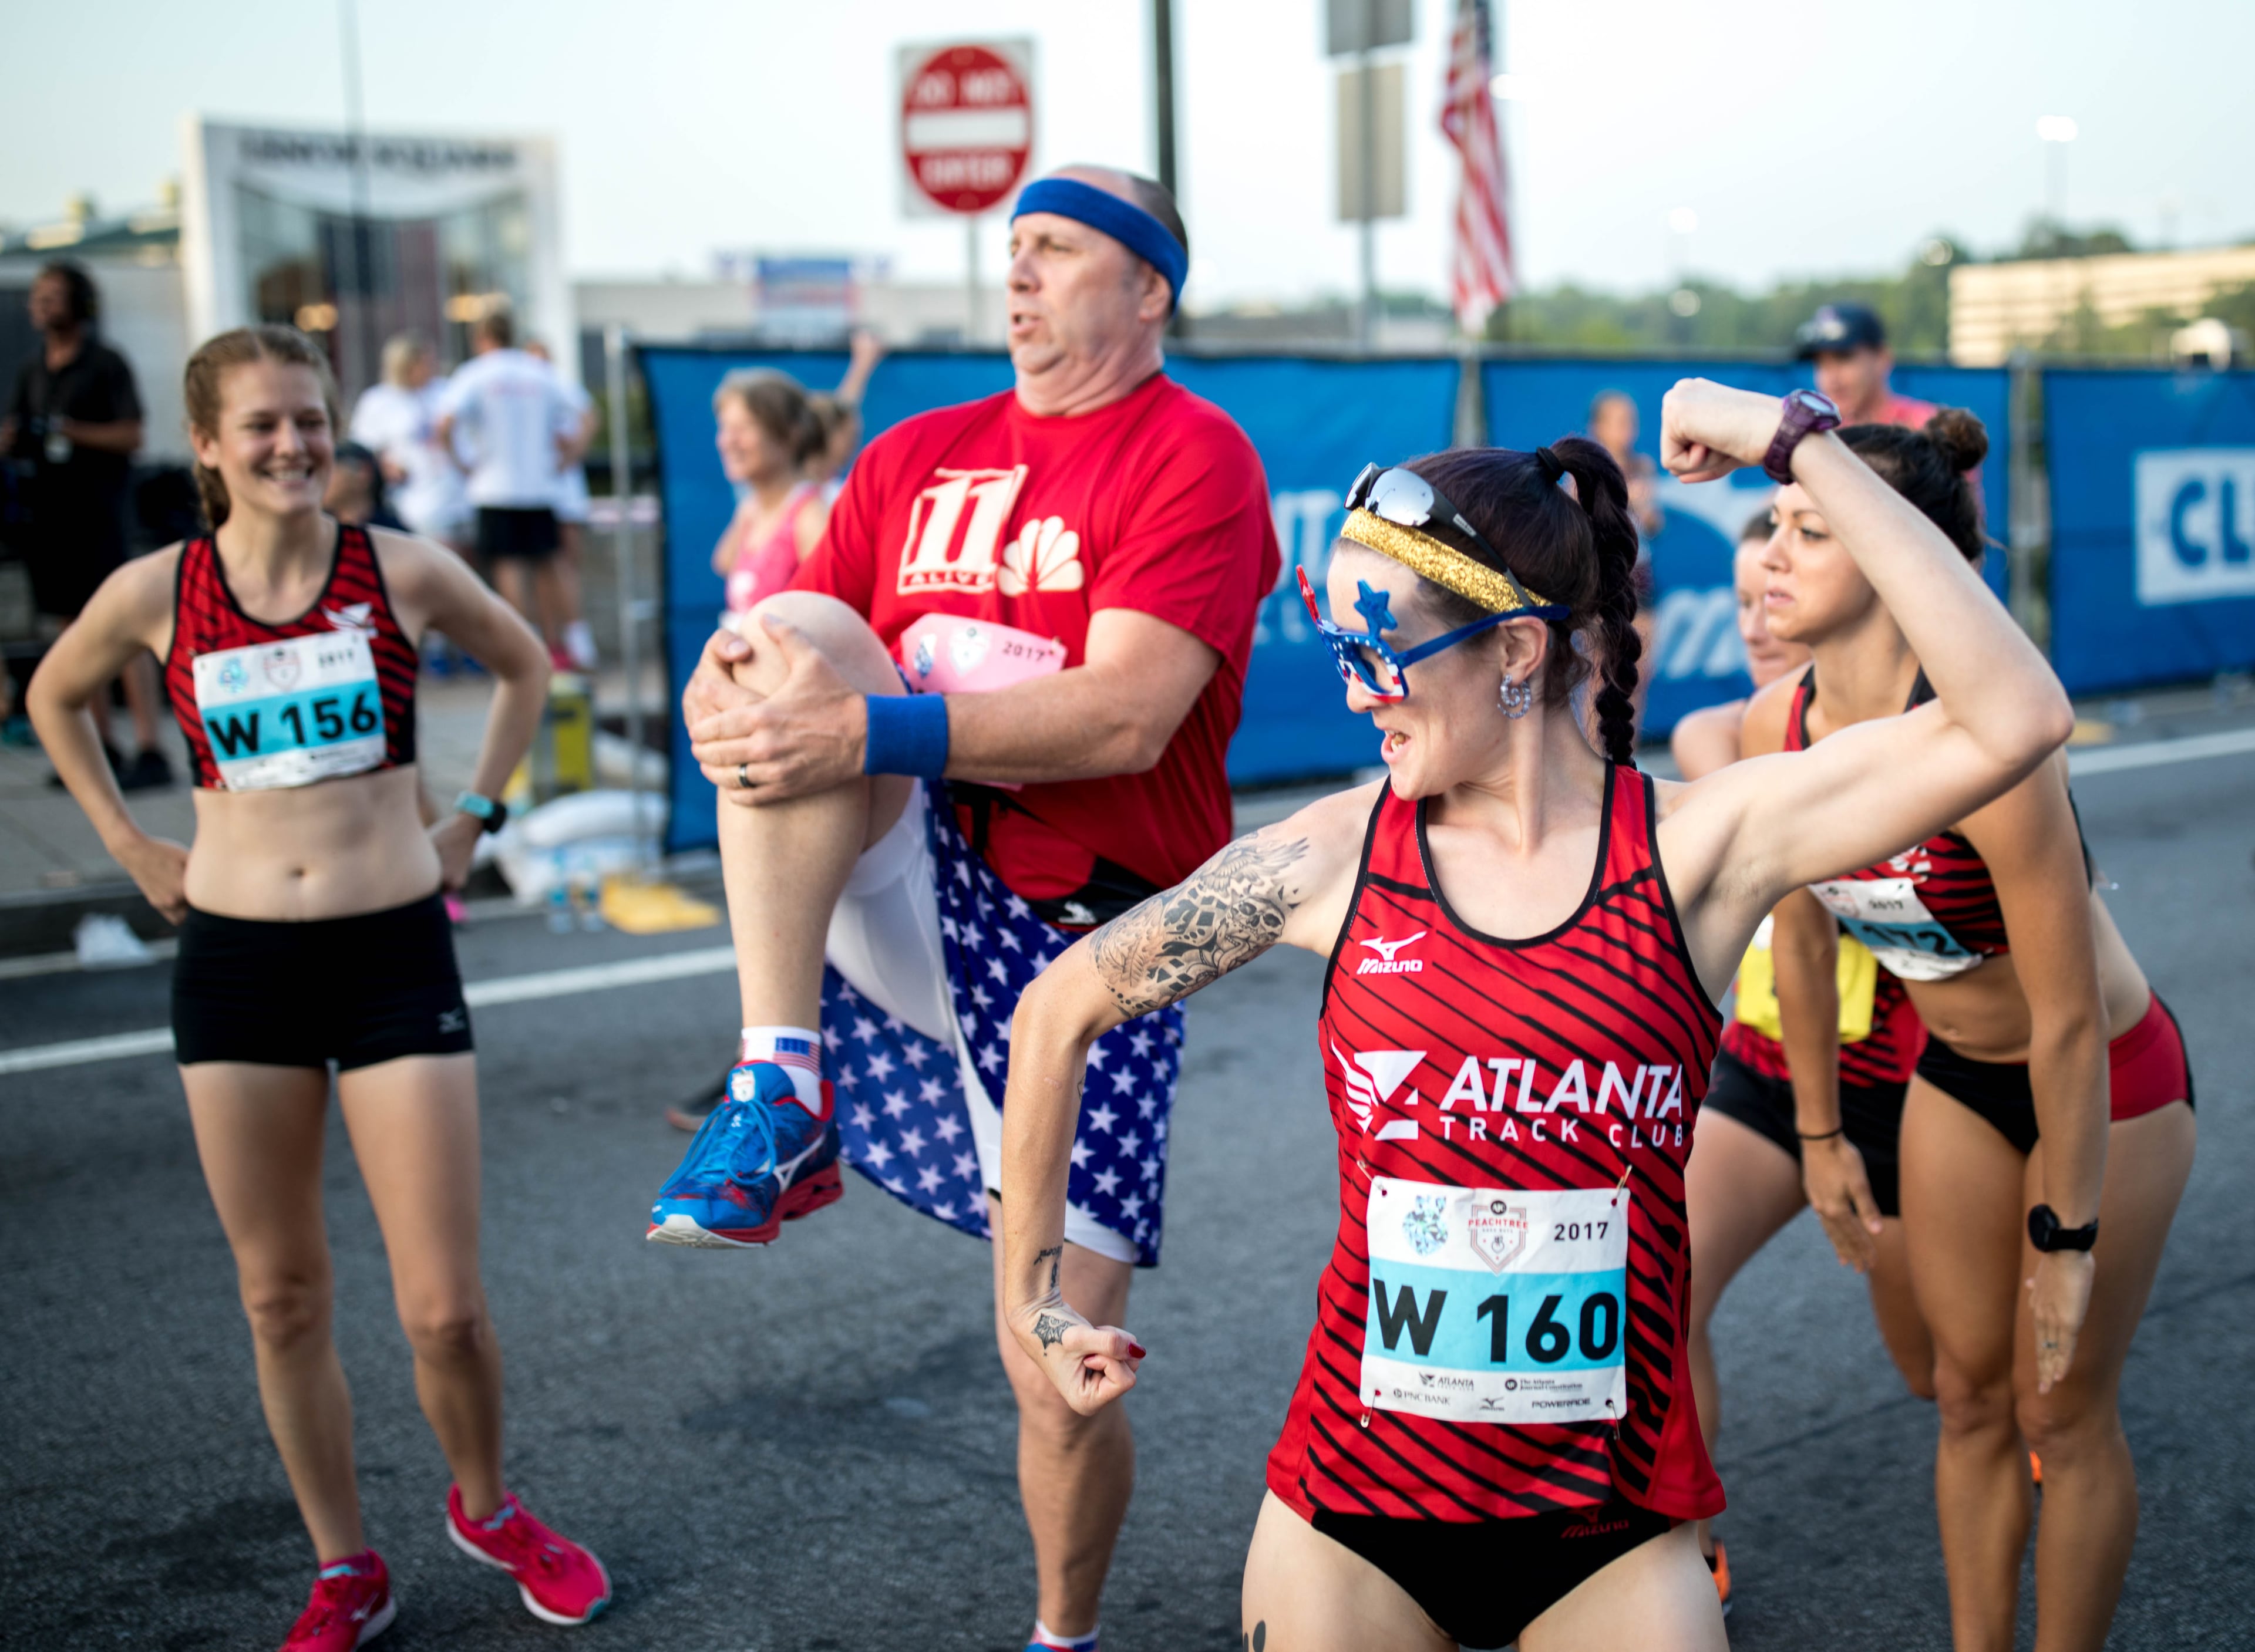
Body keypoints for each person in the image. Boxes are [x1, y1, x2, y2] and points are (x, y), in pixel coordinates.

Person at [994, 380, 2074, 1652]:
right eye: (1335, 652)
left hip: (1607, 1534)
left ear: (1516, 650)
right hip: (1352, 1520)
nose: (1357, 694)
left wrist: (1798, 447)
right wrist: (1038, 1305)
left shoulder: (1695, 849)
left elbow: (2019, 714)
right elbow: (1057, 1012)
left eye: (1378, 652)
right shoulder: (1334, 857)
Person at [661, 166, 1278, 1652]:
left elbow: (1130, 715)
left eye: (1056, 250)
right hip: (912, 885)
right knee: (786, 632)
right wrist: (726, 697)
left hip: (1099, 945)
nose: (1016, 275)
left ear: (1147, 291)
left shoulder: (1194, 456)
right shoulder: (917, 453)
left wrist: (866, 733)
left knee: (1054, 1365)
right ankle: (778, 1080)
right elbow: (803, 663)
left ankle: (1059, 1635)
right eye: (1008, 251)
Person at [24, 324, 608, 1649]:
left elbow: (524, 663)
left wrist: (475, 816)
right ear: (212, 448)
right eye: (264, 425)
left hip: (393, 945)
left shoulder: (397, 569)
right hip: (235, 966)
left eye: (310, 419)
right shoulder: (158, 590)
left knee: (444, 1307)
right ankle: (346, 1565)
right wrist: (128, 845)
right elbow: (57, 698)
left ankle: (486, 1505)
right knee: (280, 1295)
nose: (293, 444)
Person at [1749, 409, 2194, 1652]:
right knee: (1965, 1401)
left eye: (1814, 530)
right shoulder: (1770, 728)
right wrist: (1822, 1132)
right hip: (1953, 1076)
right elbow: (1795, 936)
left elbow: (2064, 1022)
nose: (1772, 555)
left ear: (1903, 560)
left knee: (2063, 1417)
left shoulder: (1987, 746)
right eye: (1776, 522)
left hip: (2105, 1085)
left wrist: (2068, 1229)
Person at [1671, 508, 1932, 1616]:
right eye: (1737, 604)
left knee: (1944, 1369)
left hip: (1916, 1084)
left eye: (1772, 592)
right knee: (1661, 1285)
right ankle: (1682, 1549)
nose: (1758, 618)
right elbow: (1703, 753)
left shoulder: (1901, 745)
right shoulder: (1723, 739)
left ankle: (2028, 1425)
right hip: (1766, 1070)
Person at [2, 261, 169, 789]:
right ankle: (101, 748)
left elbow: (132, 434)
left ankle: (149, 747)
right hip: (50, 519)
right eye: (38, 297)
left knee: (122, 629)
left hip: (100, 516)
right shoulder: (33, 372)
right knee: (73, 632)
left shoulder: (105, 364)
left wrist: (71, 431)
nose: (42, 305)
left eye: (53, 296)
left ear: (80, 303)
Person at [433, 310, 583, 660]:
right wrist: (567, 458)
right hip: (539, 487)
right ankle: (560, 645)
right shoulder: (537, 371)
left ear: (481, 338)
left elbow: (444, 423)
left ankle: (525, 647)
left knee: (510, 567)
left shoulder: (475, 373)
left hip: (495, 488)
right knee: (548, 566)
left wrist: (461, 463)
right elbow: (587, 415)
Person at [712, 368, 827, 618]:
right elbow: (722, 563)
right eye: (725, 428)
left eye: (744, 428)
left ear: (790, 436)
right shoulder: (751, 508)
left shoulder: (810, 517)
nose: (727, 441)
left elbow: (830, 615)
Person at [349, 332, 470, 552]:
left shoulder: (444, 390)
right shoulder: (378, 400)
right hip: (414, 501)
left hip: (458, 495)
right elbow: (364, 450)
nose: (431, 367)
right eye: (423, 362)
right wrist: (386, 467)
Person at [524, 337, 600, 671]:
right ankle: (555, 644)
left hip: (559, 494)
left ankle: (576, 642)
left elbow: (588, 419)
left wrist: (570, 455)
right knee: (544, 568)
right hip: (540, 495)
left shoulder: (557, 386)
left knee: (562, 566)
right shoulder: (531, 393)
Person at [1794, 304, 1936, 429]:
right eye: (1821, 364)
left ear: (1882, 358)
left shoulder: (1925, 428)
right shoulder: (1817, 436)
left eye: (1843, 358)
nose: (1832, 378)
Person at [805, 326, 888, 501]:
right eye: (850, 437)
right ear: (828, 433)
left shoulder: (827, 486)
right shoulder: (814, 497)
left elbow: (846, 405)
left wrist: (863, 363)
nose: (854, 445)